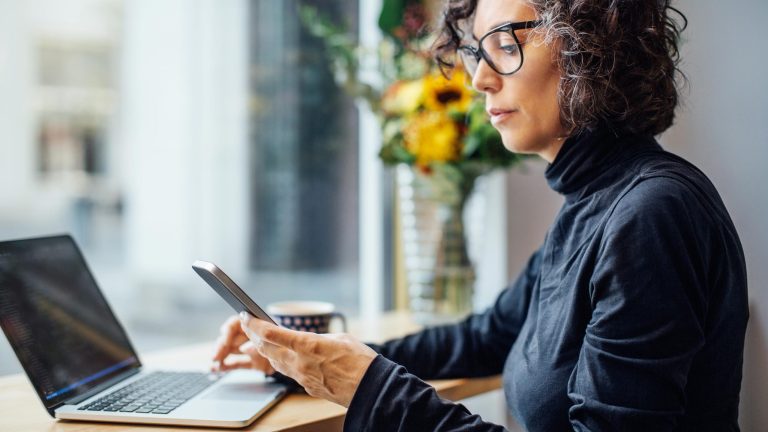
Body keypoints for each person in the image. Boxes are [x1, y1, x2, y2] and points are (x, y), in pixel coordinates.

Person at [212, 0, 749, 430]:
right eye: (477, 51)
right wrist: (312, 360)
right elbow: (486, 337)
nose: (479, 80)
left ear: (590, 45)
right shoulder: (594, 205)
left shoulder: (650, 215)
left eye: (505, 44)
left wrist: (370, 389)